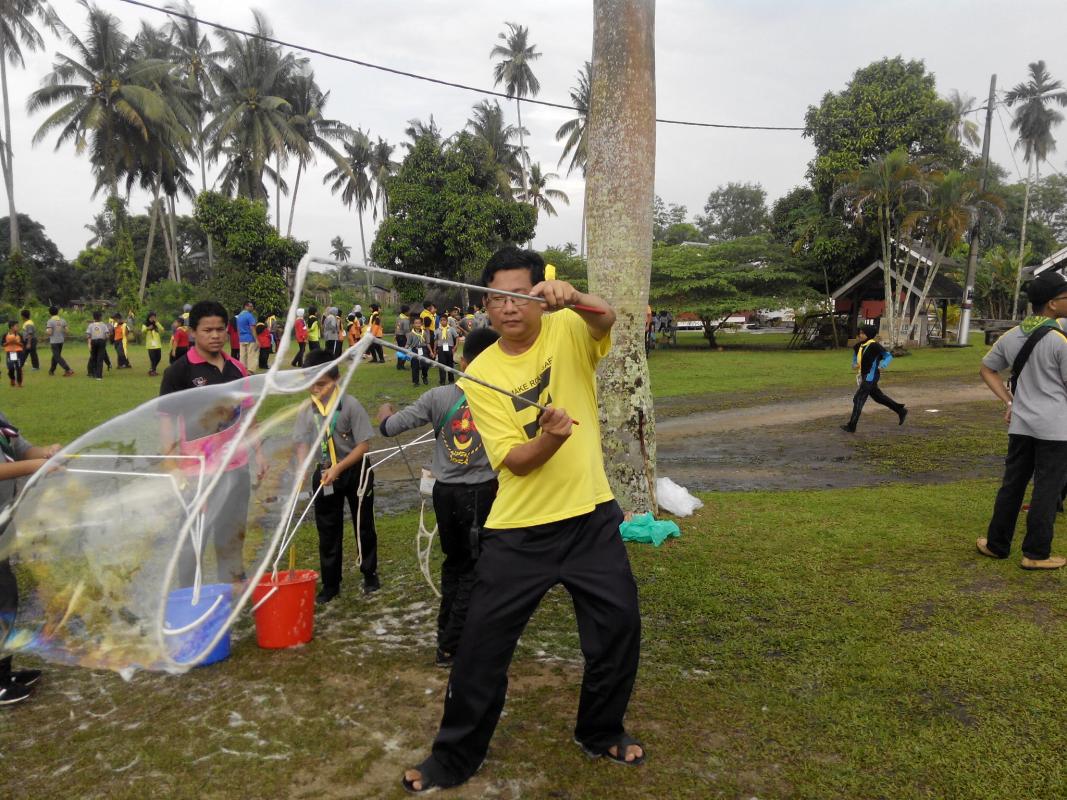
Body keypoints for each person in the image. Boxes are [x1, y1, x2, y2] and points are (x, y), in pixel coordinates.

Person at [402, 246, 643, 794]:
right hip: (518, 530)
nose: (507, 308)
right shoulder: (479, 373)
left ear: (539, 294)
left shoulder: (569, 330)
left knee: (617, 630)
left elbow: (607, 318)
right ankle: (454, 757)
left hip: (590, 517)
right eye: (495, 298)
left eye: (519, 295)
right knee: (481, 647)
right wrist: (552, 438)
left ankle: (600, 730)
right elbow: (515, 461)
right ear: (485, 304)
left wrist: (577, 297)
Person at [379, 327, 501, 667]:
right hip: (480, 494)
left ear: (463, 360)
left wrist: (385, 414)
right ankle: (452, 643)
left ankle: (449, 634)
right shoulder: (503, 397)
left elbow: (390, 428)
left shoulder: (437, 397)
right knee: (471, 569)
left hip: (445, 495)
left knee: (456, 565)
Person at [159, 300, 262, 585]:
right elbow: (167, 422)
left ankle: (230, 592)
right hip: (197, 473)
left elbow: (248, 414)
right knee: (193, 538)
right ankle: (188, 596)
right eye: (207, 330)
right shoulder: (178, 373)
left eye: (220, 329)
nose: (215, 335)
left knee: (231, 535)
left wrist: (259, 454)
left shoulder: (237, 369)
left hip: (236, 468)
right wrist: (173, 466)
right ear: (193, 333)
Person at [977, 272, 1067, 570]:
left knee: (1012, 485)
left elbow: (987, 369)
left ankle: (996, 544)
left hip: (1021, 425)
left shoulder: (1012, 335)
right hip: (1055, 428)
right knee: (1047, 488)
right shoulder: (1059, 341)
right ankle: (1036, 554)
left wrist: (1009, 401)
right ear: (1053, 304)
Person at [294, 349, 380, 602]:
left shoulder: (350, 405)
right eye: (311, 384)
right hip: (324, 475)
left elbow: (363, 445)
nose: (316, 389)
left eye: (321, 384)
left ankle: (369, 573)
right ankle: (331, 583)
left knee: (363, 523)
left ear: (336, 379)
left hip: (356, 471)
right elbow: (301, 443)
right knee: (327, 529)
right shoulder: (306, 410)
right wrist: (301, 468)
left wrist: (339, 468)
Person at [0, 415, 61, 706]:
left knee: (6, 594)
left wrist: (45, 452)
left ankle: (4, 671)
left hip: (4, 515)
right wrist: (35, 467)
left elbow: (21, 447)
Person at [841, 325, 907, 433]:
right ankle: (900, 410)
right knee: (878, 397)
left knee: (858, 399)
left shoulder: (874, 346)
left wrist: (883, 366)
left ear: (869, 335)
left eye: (863, 333)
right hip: (864, 376)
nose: (860, 335)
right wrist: (854, 363)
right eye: (860, 333)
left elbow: (888, 356)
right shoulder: (858, 346)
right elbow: (855, 356)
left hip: (871, 376)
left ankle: (851, 426)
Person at [45, 306, 74, 377]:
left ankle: (68, 369)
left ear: (50, 313)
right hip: (61, 341)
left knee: (57, 357)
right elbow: (67, 331)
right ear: (57, 312)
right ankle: (51, 371)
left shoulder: (50, 321)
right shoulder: (62, 320)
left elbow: (50, 333)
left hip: (54, 342)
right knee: (55, 356)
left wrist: (46, 331)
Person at [408, 315, 432, 386]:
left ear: (421, 324)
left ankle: (424, 376)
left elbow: (427, 343)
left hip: (423, 349)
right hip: (414, 350)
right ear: (413, 324)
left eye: (419, 323)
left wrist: (431, 351)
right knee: (414, 366)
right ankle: (416, 382)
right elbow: (408, 343)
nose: (417, 324)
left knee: (425, 364)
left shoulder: (424, 333)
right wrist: (404, 349)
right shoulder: (410, 334)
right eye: (416, 323)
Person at [86, 311, 109, 381]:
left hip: (93, 342)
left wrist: (89, 344)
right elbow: (107, 335)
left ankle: (94, 373)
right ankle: (99, 376)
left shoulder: (90, 325)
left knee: (94, 358)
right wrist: (105, 340)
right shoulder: (103, 325)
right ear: (100, 317)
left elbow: (88, 335)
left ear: (93, 317)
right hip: (101, 342)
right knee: (100, 359)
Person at [436, 315, 459, 385]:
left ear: (447, 321)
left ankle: (451, 379)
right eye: (441, 320)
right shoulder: (437, 330)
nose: (443, 321)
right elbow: (436, 340)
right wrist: (435, 349)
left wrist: (456, 346)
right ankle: (442, 380)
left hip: (449, 347)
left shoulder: (451, 329)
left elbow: (457, 337)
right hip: (441, 348)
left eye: (444, 320)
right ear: (440, 321)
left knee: (450, 364)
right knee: (441, 364)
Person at [236, 300, 258, 372]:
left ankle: (242, 370)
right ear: (246, 306)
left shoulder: (239, 316)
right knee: (251, 355)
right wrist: (257, 340)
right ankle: (251, 370)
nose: (252, 308)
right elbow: (252, 328)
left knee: (242, 356)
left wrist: (239, 338)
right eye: (250, 306)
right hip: (250, 338)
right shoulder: (249, 316)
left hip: (242, 339)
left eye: (252, 306)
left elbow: (238, 328)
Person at [142, 312, 163, 376]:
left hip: (157, 344)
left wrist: (157, 322)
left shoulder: (156, 324)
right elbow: (142, 330)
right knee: (153, 359)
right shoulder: (145, 324)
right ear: (149, 317)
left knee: (158, 358)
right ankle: (152, 371)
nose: (153, 318)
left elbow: (162, 329)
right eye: (151, 317)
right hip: (150, 345)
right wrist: (148, 328)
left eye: (154, 317)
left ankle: (152, 369)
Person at [3, 322, 23, 388]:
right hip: (10, 353)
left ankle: (19, 383)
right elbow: (3, 344)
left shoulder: (19, 335)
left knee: (19, 368)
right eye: (16, 326)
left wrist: (16, 342)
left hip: (18, 352)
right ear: (11, 327)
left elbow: (23, 345)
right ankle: (12, 379)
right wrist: (9, 342)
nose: (18, 327)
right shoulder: (6, 335)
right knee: (10, 367)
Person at [395, 305, 411, 370]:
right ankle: (401, 365)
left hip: (398, 336)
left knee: (400, 351)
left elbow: (396, 327)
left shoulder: (398, 317)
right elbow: (406, 331)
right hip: (403, 336)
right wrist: (409, 339)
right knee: (404, 351)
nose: (409, 312)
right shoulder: (405, 320)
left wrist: (395, 335)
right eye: (408, 311)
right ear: (406, 312)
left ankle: (399, 365)